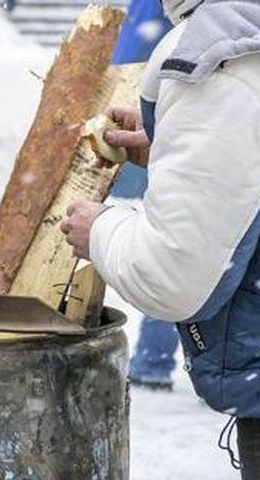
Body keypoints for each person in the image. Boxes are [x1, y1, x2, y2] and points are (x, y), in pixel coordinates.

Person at [61, 0, 260, 476]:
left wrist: (101, 229)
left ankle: (151, 363)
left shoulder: (222, 51)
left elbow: (174, 276)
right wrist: (179, 153)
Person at [112, 0, 178, 391]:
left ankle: (154, 357)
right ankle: (154, 356)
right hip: (161, 104)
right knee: (187, 234)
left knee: (182, 233)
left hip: (147, 96)